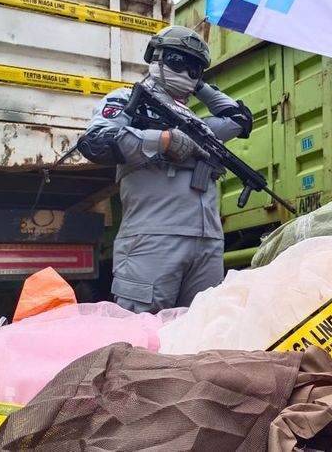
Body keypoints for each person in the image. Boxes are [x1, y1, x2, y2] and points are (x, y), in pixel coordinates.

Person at [77, 26, 252, 313]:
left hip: (207, 242)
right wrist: (163, 140)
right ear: (155, 58)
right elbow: (95, 142)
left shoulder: (196, 122)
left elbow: (239, 119)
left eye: (194, 67)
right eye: (177, 61)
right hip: (153, 239)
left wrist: (199, 85)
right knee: (142, 337)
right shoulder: (127, 101)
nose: (185, 72)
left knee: (203, 332)